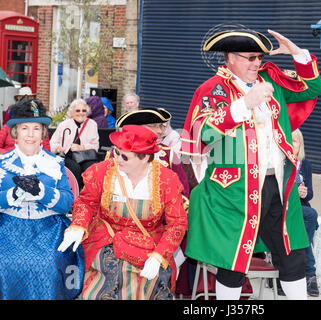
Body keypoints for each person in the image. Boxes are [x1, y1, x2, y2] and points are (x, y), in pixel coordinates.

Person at [180, 28, 321, 300]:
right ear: (231, 58)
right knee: (234, 261)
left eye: (259, 57)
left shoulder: (271, 81)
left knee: (293, 256)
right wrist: (243, 104)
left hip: (279, 182)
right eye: (250, 58)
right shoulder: (212, 89)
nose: (257, 63)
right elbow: (201, 133)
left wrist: (297, 53)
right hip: (235, 190)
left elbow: (312, 87)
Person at [57, 124, 188, 300]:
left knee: (149, 282)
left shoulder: (165, 180)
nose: (117, 159)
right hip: (107, 239)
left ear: (144, 158)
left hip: (149, 244)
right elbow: (87, 202)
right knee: (113, 274)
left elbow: (177, 223)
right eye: (117, 152)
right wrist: (78, 226)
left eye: (125, 156)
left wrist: (159, 256)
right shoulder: (103, 171)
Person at [0, 99, 84, 299]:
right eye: (24, 128)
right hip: (8, 226)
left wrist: (41, 192)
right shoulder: (2, 163)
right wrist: (13, 194)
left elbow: (67, 202)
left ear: (43, 133)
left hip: (49, 229)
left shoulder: (55, 164)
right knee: (4, 261)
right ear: (15, 132)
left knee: (48, 263)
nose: (30, 134)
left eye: (36, 128)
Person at [292, 128, 319, 297]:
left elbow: (310, 194)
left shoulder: (305, 164)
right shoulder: (278, 161)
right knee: (310, 216)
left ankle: (290, 271)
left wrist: (304, 193)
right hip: (282, 207)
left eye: (295, 141)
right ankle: (310, 274)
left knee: (309, 215)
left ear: (300, 144)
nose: (291, 143)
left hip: (300, 207)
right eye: (289, 139)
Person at [50, 99, 100, 189]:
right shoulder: (64, 125)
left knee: (90, 169)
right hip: (68, 156)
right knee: (74, 168)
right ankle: (76, 192)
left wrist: (82, 147)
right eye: (78, 110)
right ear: (72, 112)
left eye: (84, 110)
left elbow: (95, 146)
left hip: (85, 156)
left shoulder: (92, 124)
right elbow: (52, 144)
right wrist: (58, 148)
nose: (81, 113)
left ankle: (89, 194)